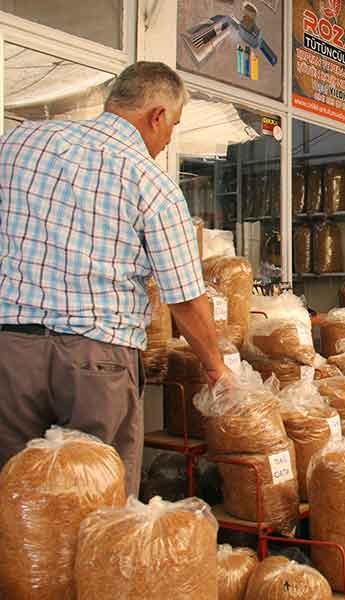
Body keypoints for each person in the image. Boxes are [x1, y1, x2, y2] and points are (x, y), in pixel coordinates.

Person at [0, 62, 227, 495]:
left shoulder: (20, 142)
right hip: (97, 363)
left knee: (17, 497)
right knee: (97, 500)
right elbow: (185, 298)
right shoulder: (151, 185)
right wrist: (217, 369)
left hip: (12, 353)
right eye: (173, 125)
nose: (168, 140)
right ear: (156, 116)